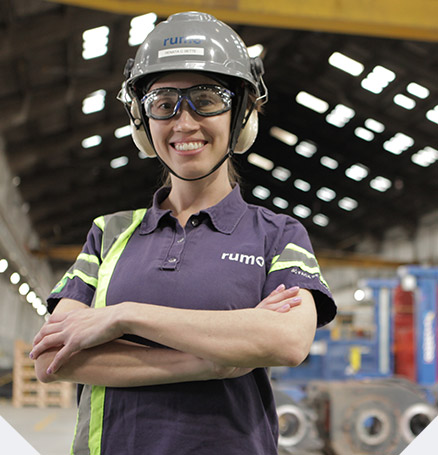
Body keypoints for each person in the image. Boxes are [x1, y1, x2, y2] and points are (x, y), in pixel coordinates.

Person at [30, 11, 336, 455]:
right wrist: (213, 359)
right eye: (162, 102)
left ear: (243, 115)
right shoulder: (109, 233)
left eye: (207, 98)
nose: (184, 122)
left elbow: (287, 340)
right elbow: (51, 360)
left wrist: (123, 316)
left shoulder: (278, 234)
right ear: (141, 120)